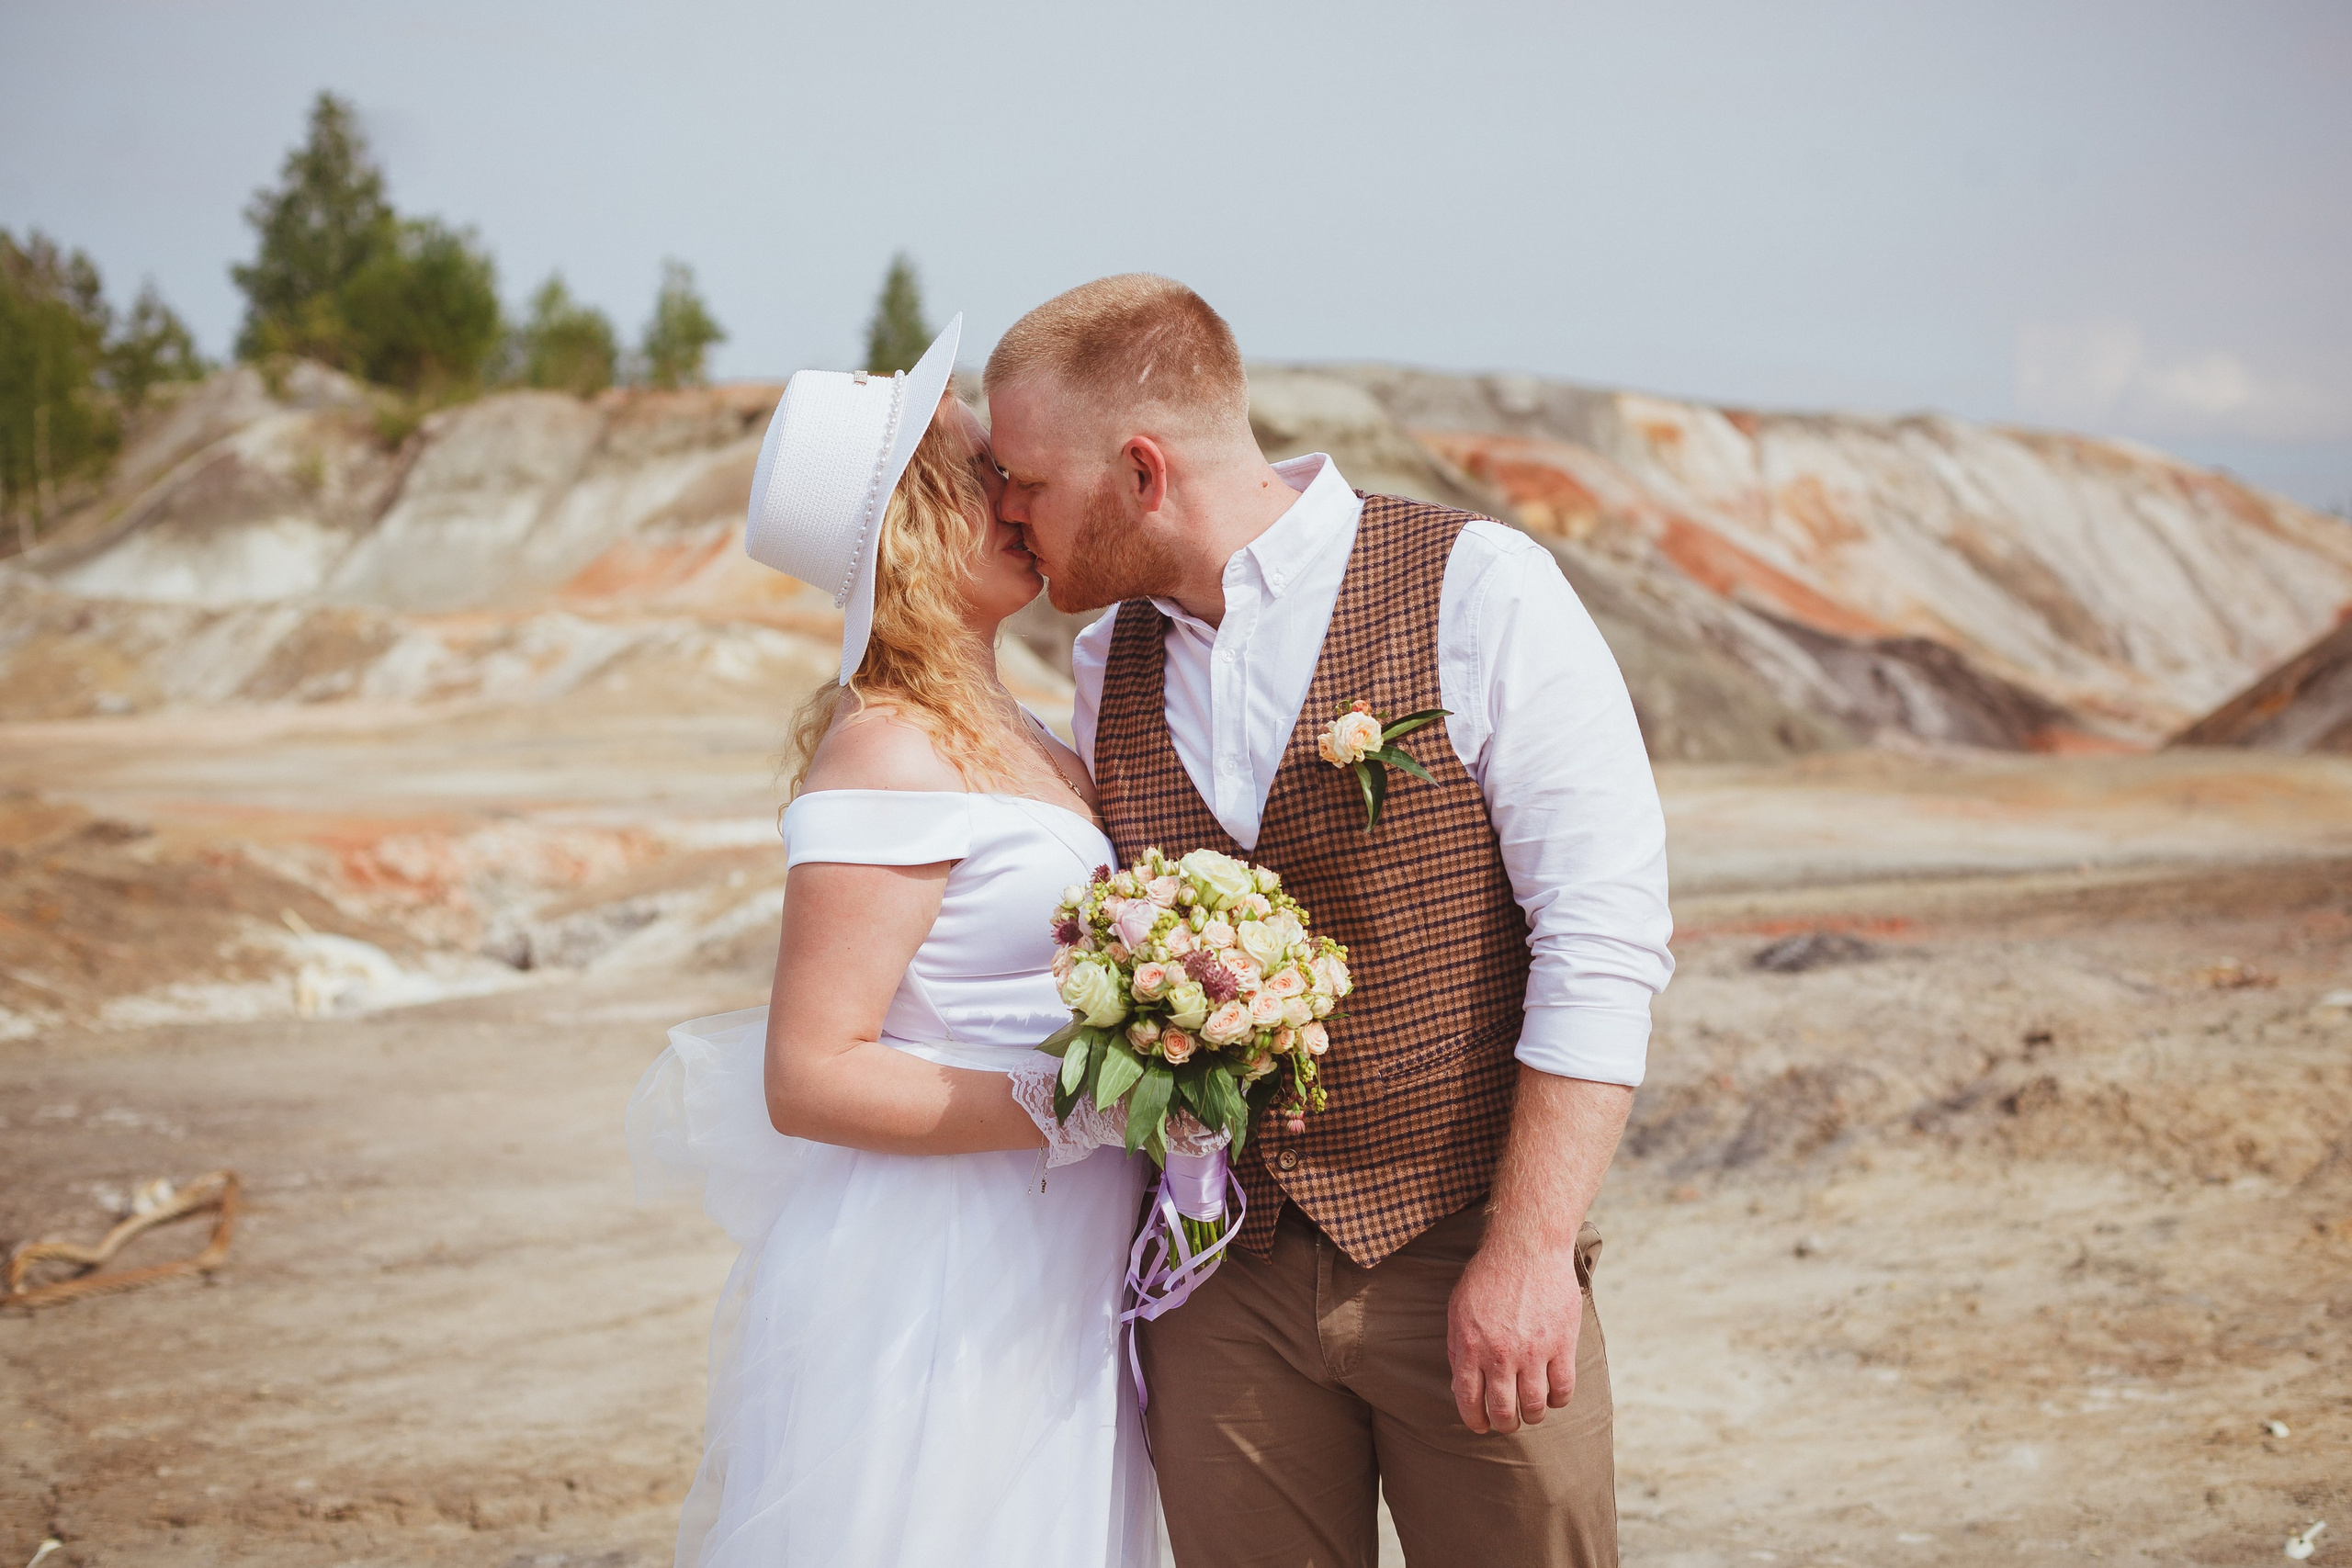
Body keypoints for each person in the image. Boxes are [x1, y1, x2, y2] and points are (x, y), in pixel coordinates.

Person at [986, 275, 1675, 1568]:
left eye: (1024, 476)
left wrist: (1528, 1255)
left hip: (1460, 1248)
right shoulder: (1099, 665)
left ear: (1140, 470)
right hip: (1217, 1280)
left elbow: (1604, 935)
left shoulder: (1483, 589)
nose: (1004, 509)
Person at [627, 319, 1159, 1568]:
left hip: (1057, 1249)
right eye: (987, 475)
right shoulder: (886, 743)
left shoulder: (1026, 727)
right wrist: (1083, 1107)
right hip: (945, 1269)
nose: (1022, 497)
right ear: (918, 524)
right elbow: (812, 1074)